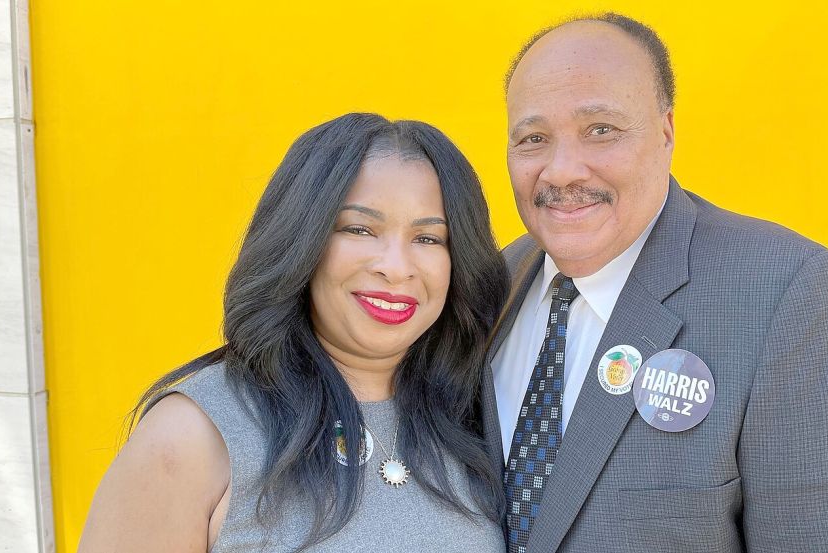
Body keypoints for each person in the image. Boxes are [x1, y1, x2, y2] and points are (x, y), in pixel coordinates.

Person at [485, 13, 828, 553]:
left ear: (666, 132)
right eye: (533, 138)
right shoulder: (488, 289)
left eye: (601, 130)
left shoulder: (786, 293)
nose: (562, 170)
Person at [79, 113, 509, 552]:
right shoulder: (194, 436)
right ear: (301, 241)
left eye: (429, 239)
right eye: (359, 229)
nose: (396, 268)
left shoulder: (480, 418)